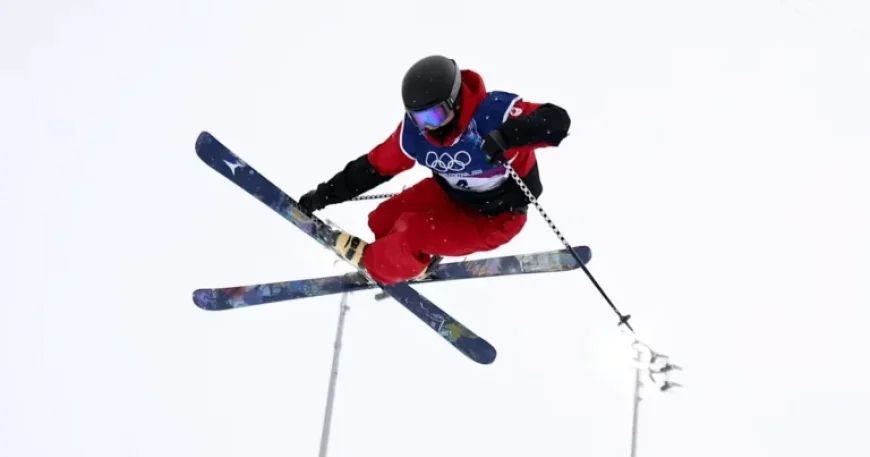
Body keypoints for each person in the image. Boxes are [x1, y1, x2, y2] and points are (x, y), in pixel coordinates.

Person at [297, 55, 571, 285]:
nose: (428, 126)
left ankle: (378, 266)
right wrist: (324, 194)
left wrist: (508, 136)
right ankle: (412, 263)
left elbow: (557, 120)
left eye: (435, 115)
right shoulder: (414, 134)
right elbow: (373, 167)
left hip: (496, 217)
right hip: (449, 197)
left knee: (411, 235)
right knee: (382, 220)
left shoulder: (493, 114)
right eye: (419, 118)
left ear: (456, 101)